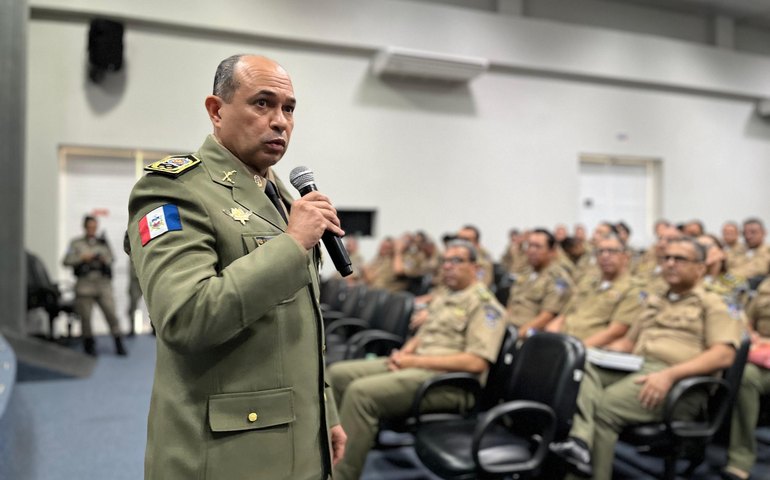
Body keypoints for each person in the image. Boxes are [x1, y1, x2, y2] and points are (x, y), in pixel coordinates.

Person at [127, 54, 345, 480]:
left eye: (289, 108)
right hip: (226, 451)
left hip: (298, 435)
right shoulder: (174, 191)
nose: (280, 121)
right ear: (216, 110)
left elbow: (301, 325)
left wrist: (326, 409)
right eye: (262, 103)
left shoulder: (282, 196)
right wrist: (292, 244)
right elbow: (185, 317)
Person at [550, 238, 744, 480]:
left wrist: (669, 375)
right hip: (638, 367)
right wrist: (603, 353)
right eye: (666, 258)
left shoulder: (716, 302)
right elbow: (628, 343)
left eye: (680, 259)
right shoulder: (656, 298)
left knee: (604, 407)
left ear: (700, 268)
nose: (670, 264)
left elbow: (724, 355)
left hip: (678, 382)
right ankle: (579, 443)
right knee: (578, 367)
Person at [327, 240, 506, 480]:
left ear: (475, 267)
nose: (448, 266)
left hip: (449, 383)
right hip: (419, 365)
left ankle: (341, 474)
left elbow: (476, 362)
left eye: (457, 261)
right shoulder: (445, 296)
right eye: (445, 261)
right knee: (337, 374)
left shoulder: (486, 306)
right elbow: (423, 335)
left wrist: (413, 362)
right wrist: (405, 353)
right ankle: (331, 452)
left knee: (361, 394)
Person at [546, 234, 642, 348]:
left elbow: (615, 332)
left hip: (588, 348)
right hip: (563, 341)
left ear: (625, 257)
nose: (605, 256)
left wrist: (575, 349)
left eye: (612, 251)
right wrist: (550, 337)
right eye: (600, 252)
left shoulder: (633, 289)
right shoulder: (588, 283)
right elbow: (563, 316)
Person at [722, 275, 770, 480]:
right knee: (744, 373)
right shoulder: (767, 284)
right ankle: (740, 455)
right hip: (763, 355)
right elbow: (748, 319)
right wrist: (753, 336)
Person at [62, 215, 127, 356]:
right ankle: (89, 345)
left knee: (111, 314)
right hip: (84, 283)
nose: (92, 229)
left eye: (94, 227)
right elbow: (66, 260)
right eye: (89, 227)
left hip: (102, 283)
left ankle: (118, 342)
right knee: (85, 317)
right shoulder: (75, 243)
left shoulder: (103, 243)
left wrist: (103, 259)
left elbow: (111, 258)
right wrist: (82, 258)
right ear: (84, 227)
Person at [506, 228, 573, 339]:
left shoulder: (557, 279)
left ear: (552, 251)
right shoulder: (525, 273)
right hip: (509, 327)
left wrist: (517, 334)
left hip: (528, 333)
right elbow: (511, 304)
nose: (532, 250)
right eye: (530, 246)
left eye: (537, 247)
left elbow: (547, 316)